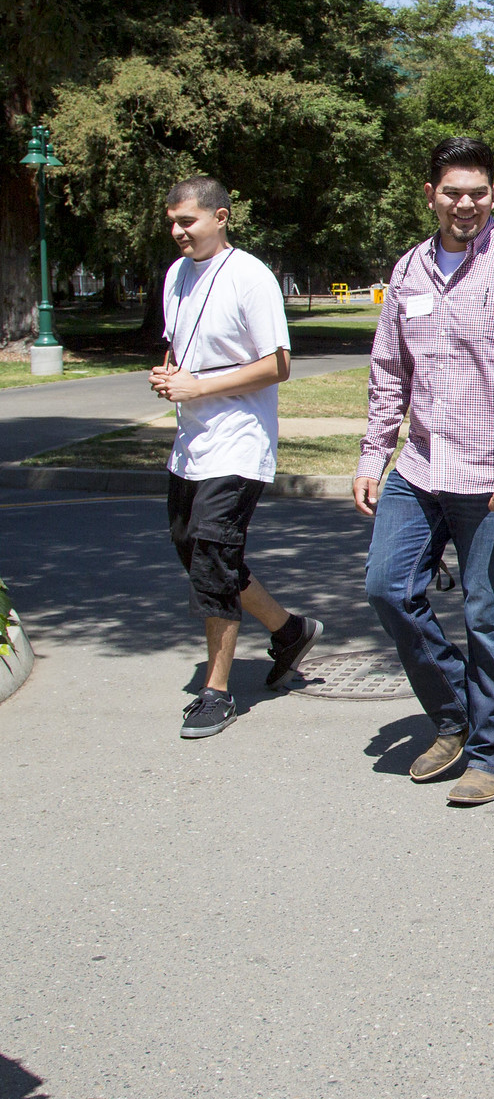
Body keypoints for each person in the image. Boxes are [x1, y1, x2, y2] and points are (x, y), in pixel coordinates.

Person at [355, 137, 494, 806]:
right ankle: (454, 711)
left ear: (493, 194)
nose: (465, 203)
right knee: (387, 587)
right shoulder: (409, 270)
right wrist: (372, 451)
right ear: (431, 195)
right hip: (420, 465)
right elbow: (390, 371)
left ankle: (493, 750)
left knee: (485, 610)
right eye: (452, 192)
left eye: (477, 191)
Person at [151, 177, 323, 739]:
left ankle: (216, 692)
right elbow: (183, 346)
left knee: (213, 561)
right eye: (172, 221)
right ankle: (289, 630)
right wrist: (172, 374)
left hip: (239, 444)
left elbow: (278, 363)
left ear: (221, 217)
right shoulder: (176, 275)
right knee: (193, 550)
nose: (177, 231)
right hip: (190, 446)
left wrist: (199, 388)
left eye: (187, 221)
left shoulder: (251, 276)